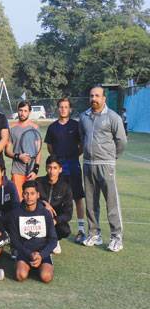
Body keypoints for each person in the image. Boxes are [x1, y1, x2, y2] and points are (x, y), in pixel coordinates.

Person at [79, 86, 127, 252]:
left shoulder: (113, 117)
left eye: (97, 96)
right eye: (91, 95)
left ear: (104, 98)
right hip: (88, 164)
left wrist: (112, 158)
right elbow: (82, 137)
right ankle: (94, 234)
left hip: (106, 164)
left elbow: (121, 141)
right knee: (91, 203)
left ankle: (116, 237)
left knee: (111, 202)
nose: (94, 98)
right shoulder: (83, 117)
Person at [45, 97, 86, 243]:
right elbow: (50, 148)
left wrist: (73, 156)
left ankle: (81, 230)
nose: (63, 109)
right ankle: (57, 227)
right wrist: (58, 161)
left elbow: (81, 146)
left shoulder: (76, 126)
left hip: (73, 166)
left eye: (66, 107)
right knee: (57, 198)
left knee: (78, 197)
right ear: (58, 109)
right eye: (61, 107)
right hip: (58, 169)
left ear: (70, 109)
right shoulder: (52, 128)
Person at [8, 180, 57, 283]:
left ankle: (41, 266)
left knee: (46, 277)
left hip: (42, 252)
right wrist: (29, 253)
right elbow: (14, 240)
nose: (29, 197)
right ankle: (26, 267)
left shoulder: (45, 213)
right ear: (22, 194)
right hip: (24, 252)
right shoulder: (15, 214)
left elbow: (53, 239)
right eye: (26, 193)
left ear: (38, 195)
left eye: (32, 193)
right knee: (20, 275)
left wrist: (41, 255)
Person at [37, 155, 74, 254]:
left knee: (65, 230)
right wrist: (44, 203)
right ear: (46, 168)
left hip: (55, 221)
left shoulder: (66, 187)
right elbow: (28, 200)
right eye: (49, 167)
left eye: (55, 168)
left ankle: (54, 240)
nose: (51, 171)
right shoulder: (38, 182)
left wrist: (55, 220)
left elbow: (68, 213)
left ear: (60, 169)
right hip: (39, 218)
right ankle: (39, 241)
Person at [6, 101, 42, 201]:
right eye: (20, 110)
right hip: (17, 171)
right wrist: (18, 156)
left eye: (25, 111)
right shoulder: (12, 128)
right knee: (18, 201)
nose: (22, 113)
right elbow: (7, 150)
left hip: (31, 171)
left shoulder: (35, 128)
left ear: (29, 112)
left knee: (30, 200)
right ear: (17, 111)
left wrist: (35, 170)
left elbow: (38, 151)